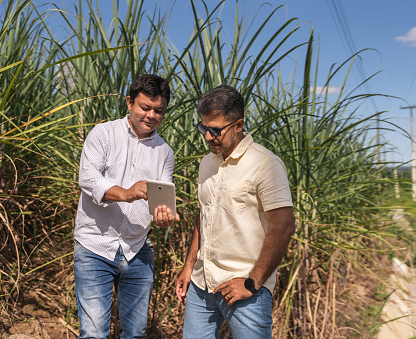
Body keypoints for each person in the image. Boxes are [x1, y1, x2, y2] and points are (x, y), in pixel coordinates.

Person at [176, 85, 295, 338]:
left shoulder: (265, 164)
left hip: (244, 288)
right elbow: (204, 215)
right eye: (203, 128)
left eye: (216, 130)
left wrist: (252, 282)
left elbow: (284, 226)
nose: (208, 136)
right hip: (201, 284)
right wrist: (189, 266)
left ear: (238, 125)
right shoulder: (207, 162)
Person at [73, 74, 178, 339]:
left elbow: (161, 197)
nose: (151, 115)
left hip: (138, 249)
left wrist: (163, 216)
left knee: (135, 333)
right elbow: (88, 178)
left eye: (159, 110)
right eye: (145, 107)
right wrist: (127, 193)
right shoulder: (104, 133)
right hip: (94, 245)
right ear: (129, 102)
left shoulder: (165, 152)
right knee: (94, 332)